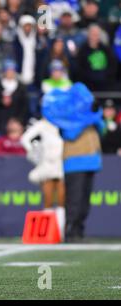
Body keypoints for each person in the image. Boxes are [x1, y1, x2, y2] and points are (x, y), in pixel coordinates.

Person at [42, 82, 104, 242]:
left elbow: (102, 129)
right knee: (74, 200)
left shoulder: (89, 116)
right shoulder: (67, 119)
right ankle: (70, 231)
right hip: (74, 163)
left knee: (85, 202)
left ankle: (79, 230)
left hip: (92, 161)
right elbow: (70, 135)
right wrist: (86, 118)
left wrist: (94, 114)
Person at [21, 118, 66, 240]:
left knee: (62, 199)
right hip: (47, 164)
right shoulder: (41, 124)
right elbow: (25, 139)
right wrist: (34, 152)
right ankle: (49, 232)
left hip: (63, 162)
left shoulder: (64, 121)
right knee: (48, 198)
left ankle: (61, 232)